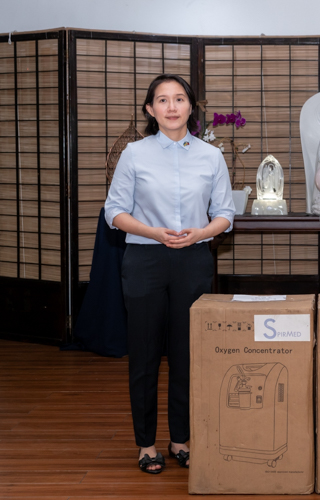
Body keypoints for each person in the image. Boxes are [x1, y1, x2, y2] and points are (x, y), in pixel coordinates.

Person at [104, 74, 235, 474]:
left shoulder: (210, 155)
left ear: (191, 107)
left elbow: (226, 214)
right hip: (145, 260)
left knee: (186, 354)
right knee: (144, 355)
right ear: (150, 109)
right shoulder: (135, 154)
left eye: (179, 99)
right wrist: (152, 232)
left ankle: (181, 439)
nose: (172, 107)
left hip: (193, 259)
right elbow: (114, 212)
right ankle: (145, 444)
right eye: (162, 100)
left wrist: (201, 232)